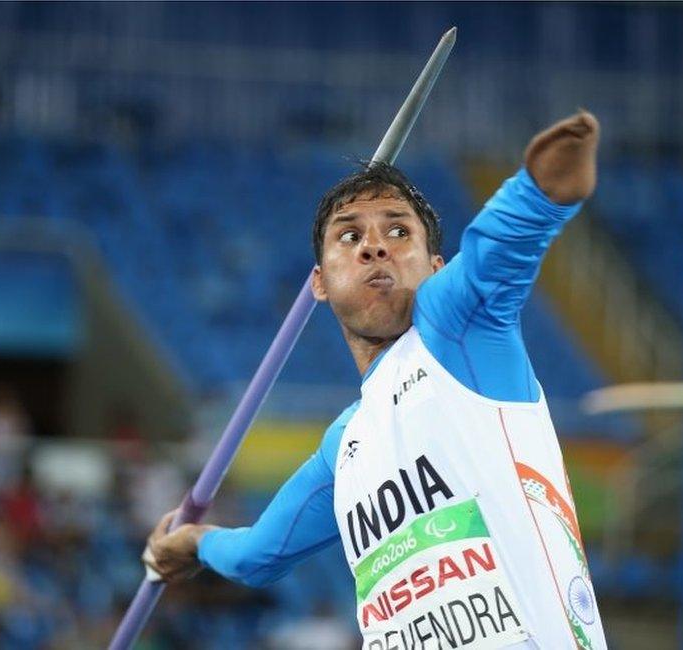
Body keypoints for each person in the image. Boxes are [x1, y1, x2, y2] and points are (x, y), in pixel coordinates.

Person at [143, 110, 607, 649]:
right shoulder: (344, 445)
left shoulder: (457, 328)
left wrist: (539, 192)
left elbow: (497, 251)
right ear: (318, 283)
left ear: (435, 267)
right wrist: (196, 542)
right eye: (349, 235)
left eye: (397, 230)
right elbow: (258, 556)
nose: (374, 245)